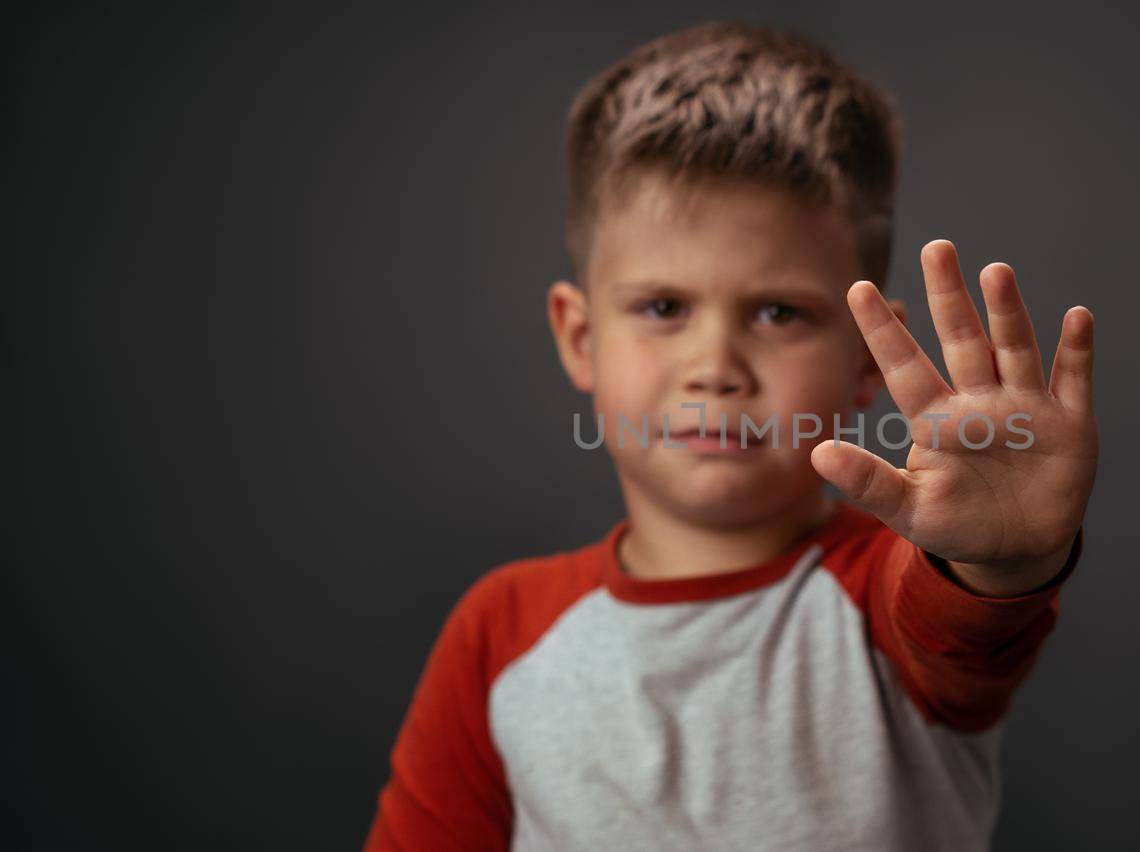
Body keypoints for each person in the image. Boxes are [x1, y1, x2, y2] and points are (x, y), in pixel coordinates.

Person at [364, 19, 1099, 851]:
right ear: (579, 337)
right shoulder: (497, 636)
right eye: (663, 308)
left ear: (867, 356)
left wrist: (1004, 559)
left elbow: (968, 618)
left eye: (778, 313)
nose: (716, 366)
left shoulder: (885, 597)